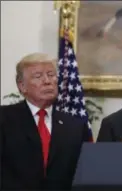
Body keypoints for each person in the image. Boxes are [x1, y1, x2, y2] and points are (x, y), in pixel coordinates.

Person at [0, 53, 91, 190]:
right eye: (38, 76)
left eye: (51, 75)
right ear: (22, 86)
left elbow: (85, 172)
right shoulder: (4, 118)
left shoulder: (76, 125)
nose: (47, 81)